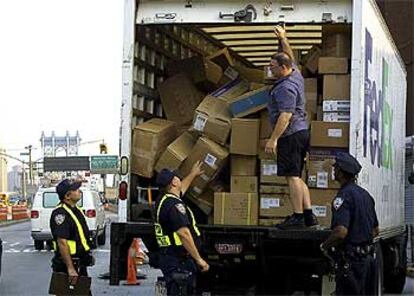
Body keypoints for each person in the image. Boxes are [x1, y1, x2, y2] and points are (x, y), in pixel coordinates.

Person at [265, 25, 317, 229]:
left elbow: (285, 116)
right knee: (297, 175)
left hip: (291, 134)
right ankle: (308, 214)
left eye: (273, 67)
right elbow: (288, 55)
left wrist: (273, 139)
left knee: (291, 176)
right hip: (302, 132)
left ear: (282, 68)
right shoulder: (295, 74)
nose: (270, 69)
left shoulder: (285, 87)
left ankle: (297, 216)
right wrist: (283, 38)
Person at [320, 152, 379, 295]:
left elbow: (341, 232)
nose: (334, 171)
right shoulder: (366, 196)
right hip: (368, 262)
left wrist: (324, 246)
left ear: (340, 172)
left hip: (352, 264)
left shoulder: (344, 196)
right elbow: (376, 230)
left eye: (336, 168)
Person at [155, 161, 209, 295]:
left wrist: (193, 174)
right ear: (173, 183)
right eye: (177, 178)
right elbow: (183, 233)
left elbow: (181, 189)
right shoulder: (174, 206)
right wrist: (198, 259)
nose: (180, 179)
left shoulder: (164, 199)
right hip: (178, 260)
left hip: (170, 257)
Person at [50, 179, 94, 293]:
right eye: (76, 189)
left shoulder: (76, 210)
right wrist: (70, 268)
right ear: (68, 196)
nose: (79, 191)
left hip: (79, 264)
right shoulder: (60, 214)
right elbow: (62, 242)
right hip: (68, 266)